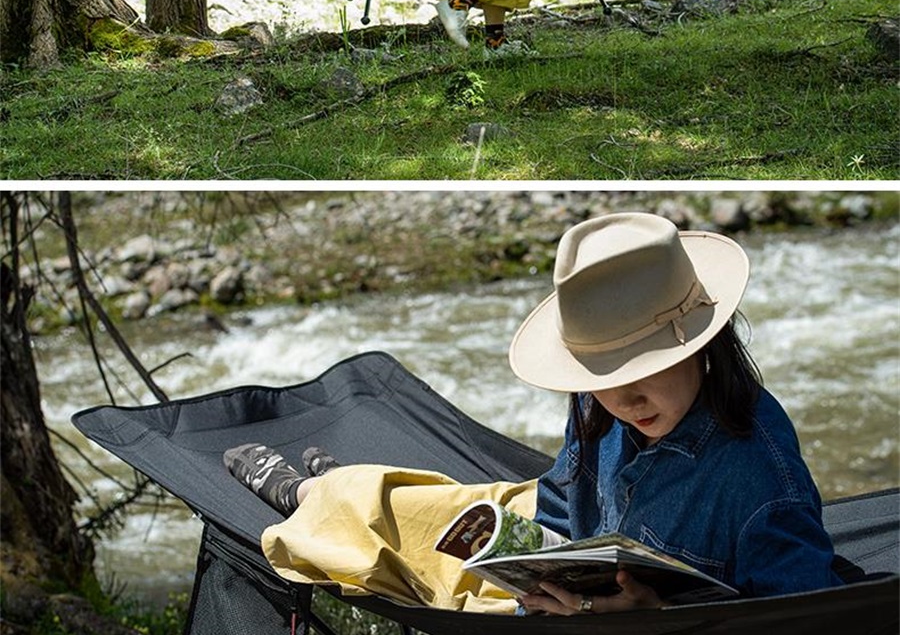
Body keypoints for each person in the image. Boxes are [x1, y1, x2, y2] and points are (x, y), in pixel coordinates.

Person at [224, 212, 841, 614]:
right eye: (604, 377)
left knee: (388, 555)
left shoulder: (759, 478)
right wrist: (539, 568)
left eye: (642, 370)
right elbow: (556, 500)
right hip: (565, 558)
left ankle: (312, 493)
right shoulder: (599, 404)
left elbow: (798, 623)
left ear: (704, 344)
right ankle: (327, 488)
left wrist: (656, 615)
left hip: (612, 623)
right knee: (441, 511)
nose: (624, 401)